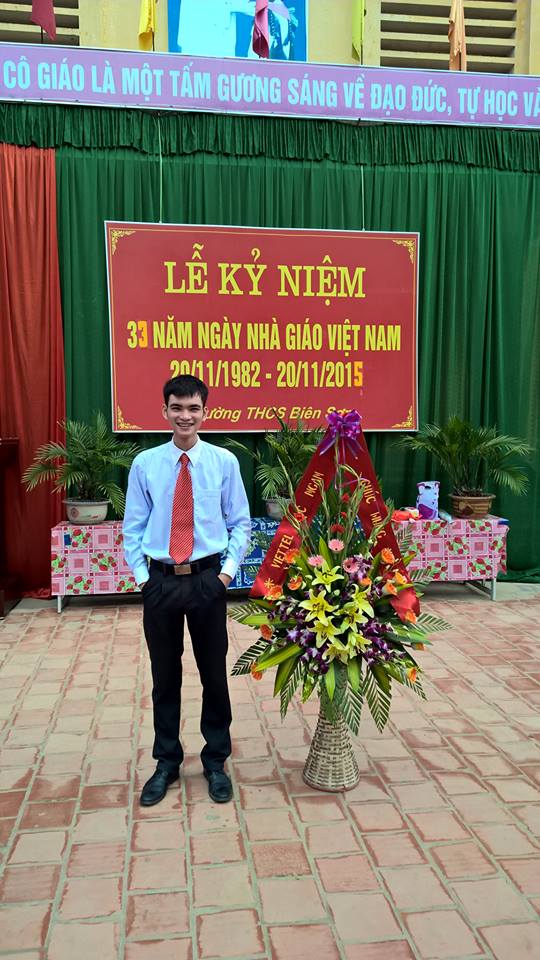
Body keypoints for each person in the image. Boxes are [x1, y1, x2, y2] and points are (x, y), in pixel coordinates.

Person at [123, 375, 251, 805]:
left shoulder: (223, 462)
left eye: (193, 408)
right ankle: (166, 762)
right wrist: (143, 579)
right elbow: (133, 527)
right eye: (177, 408)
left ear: (204, 412)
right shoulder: (145, 464)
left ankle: (215, 761)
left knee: (213, 673)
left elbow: (240, 523)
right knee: (165, 677)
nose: (185, 416)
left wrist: (225, 576)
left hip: (206, 581)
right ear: (164, 411)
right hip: (160, 582)